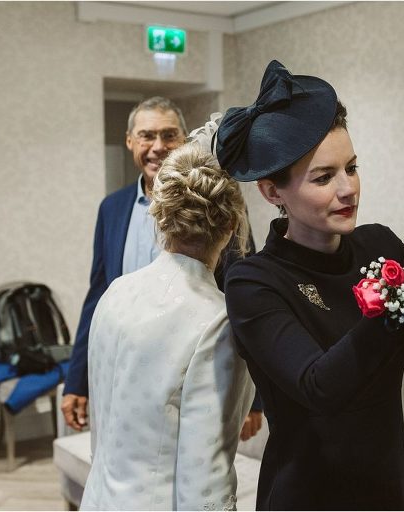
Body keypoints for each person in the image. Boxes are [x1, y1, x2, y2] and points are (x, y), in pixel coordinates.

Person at [218, 60, 404, 511]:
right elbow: (321, 387)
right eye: (323, 177)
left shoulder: (378, 244)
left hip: (386, 491)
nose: (348, 189)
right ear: (271, 192)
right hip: (306, 496)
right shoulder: (254, 281)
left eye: (352, 167)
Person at [61, 97, 263, 440]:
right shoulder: (111, 209)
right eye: (146, 136)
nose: (158, 147)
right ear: (129, 141)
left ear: (184, 139)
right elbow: (97, 295)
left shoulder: (218, 202)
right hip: (124, 374)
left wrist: (253, 397)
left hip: (196, 374)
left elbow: (245, 292)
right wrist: (77, 379)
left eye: (169, 135)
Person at [80, 143, 255, 511]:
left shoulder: (116, 293)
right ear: (231, 225)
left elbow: (103, 428)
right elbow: (206, 476)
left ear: (160, 217)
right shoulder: (217, 321)